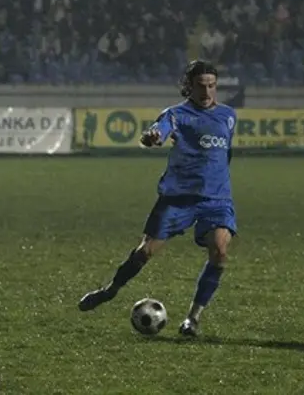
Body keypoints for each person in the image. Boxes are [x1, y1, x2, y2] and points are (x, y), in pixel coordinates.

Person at [78, 60, 238, 337]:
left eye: (212, 86)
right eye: (201, 86)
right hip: (178, 198)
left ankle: (193, 319)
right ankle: (110, 290)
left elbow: (226, 154)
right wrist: (152, 137)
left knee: (220, 250)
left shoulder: (228, 115)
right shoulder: (176, 114)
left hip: (216, 199)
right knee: (145, 252)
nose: (207, 92)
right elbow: (156, 132)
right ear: (189, 86)